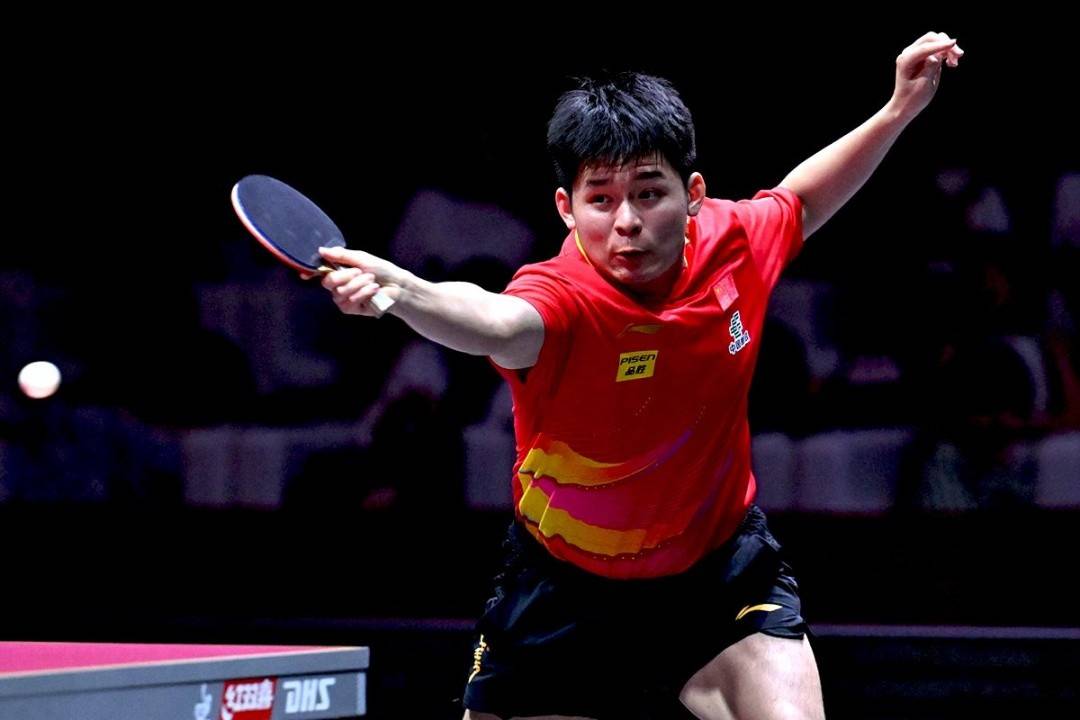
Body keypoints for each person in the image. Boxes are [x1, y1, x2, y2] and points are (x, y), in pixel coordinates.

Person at [312, 31, 963, 720]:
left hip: (719, 573)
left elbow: (801, 201)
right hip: (563, 588)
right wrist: (404, 292)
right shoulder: (562, 298)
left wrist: (899, 109)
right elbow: (493, 322)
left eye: (650, 193)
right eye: (600, 199)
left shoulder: (734, 243)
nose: (626, 222)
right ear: (566, 207)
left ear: (693, 194)